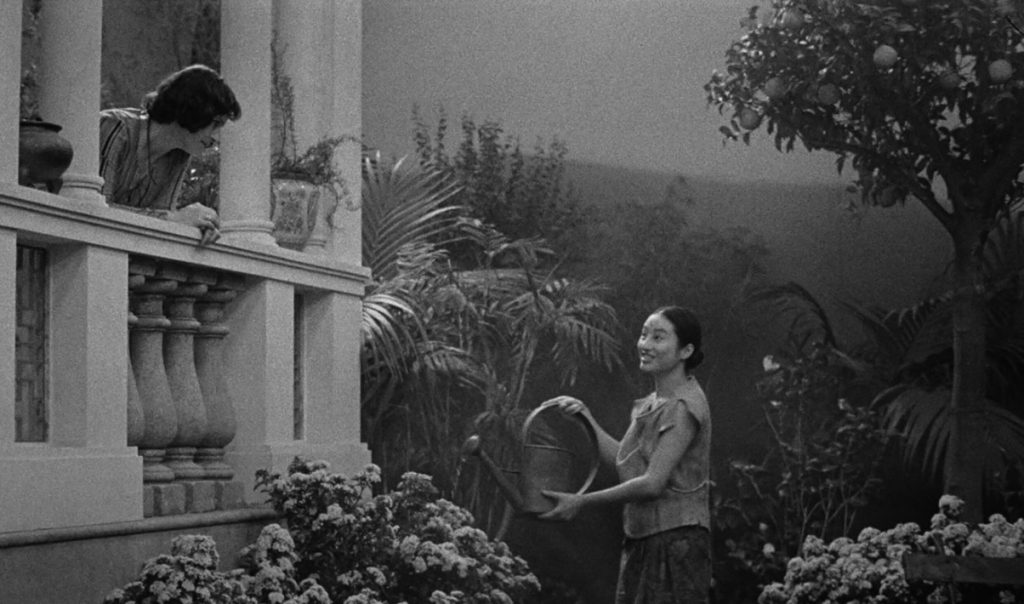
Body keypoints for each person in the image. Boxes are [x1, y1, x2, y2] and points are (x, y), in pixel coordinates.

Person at [539, 306, 711, 604]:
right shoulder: (654, 403)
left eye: (658, 337)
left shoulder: (683, 406)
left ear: (686, 351)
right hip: (644, 537)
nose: (645, 344)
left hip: (674, 542)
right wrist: (585, 418)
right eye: (644, 335)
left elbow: (652, 483)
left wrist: (581, 501)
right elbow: (626, 462)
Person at [99, 64, 241, 245]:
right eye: (216, 124)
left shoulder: (178, 155)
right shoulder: (116, 128)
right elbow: (94, 211)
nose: (216, 138)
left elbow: (159, 228)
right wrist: (173, 219)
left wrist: (198, 226)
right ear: (195, 110)